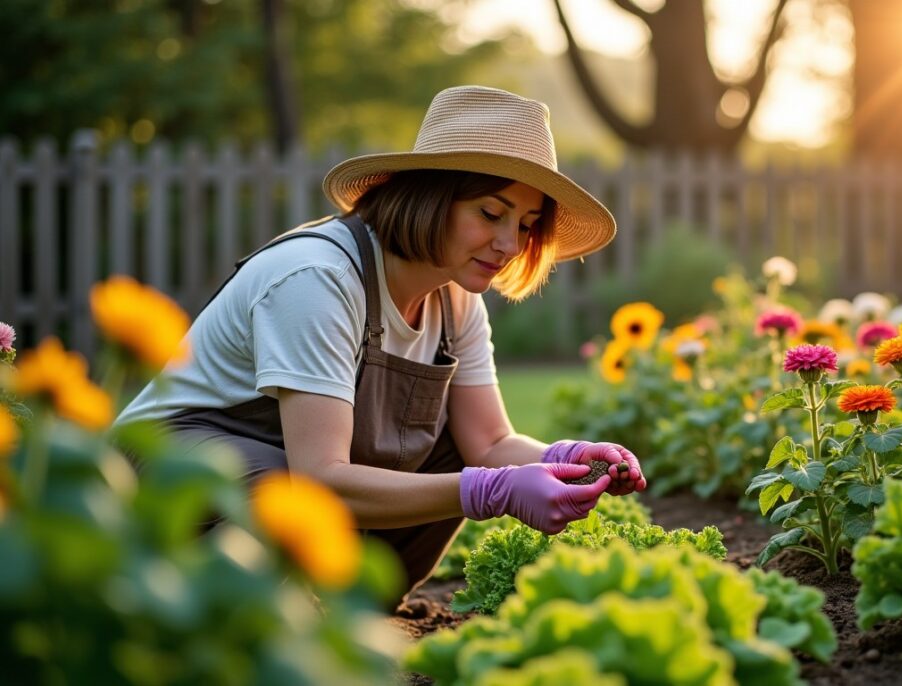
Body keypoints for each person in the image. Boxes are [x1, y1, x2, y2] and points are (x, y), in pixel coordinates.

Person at [115, 85, 646, 603]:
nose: (510, 244)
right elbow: (319, 478)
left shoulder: (455, 300)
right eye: (490, 213)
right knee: (287, 486)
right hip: (164, 466)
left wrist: (566, 460)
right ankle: (213, 619)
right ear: (431, 196)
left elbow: (488, 442)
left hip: (294, 471)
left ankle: (347, 610)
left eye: (527, 226)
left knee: (455, 453)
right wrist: (492, 490)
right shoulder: (316, 279)